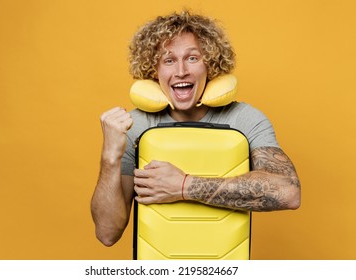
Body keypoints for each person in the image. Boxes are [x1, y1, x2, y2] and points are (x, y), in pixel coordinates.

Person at [91, 10, 301, 247]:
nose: (181, 71)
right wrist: (110, 157)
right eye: (168, 60)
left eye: (192, 58)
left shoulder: (245, 120)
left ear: (211, 64)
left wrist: (183, 186)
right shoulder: (134, 125)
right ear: (154, 70)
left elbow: (289, 192)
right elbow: (108, 233)